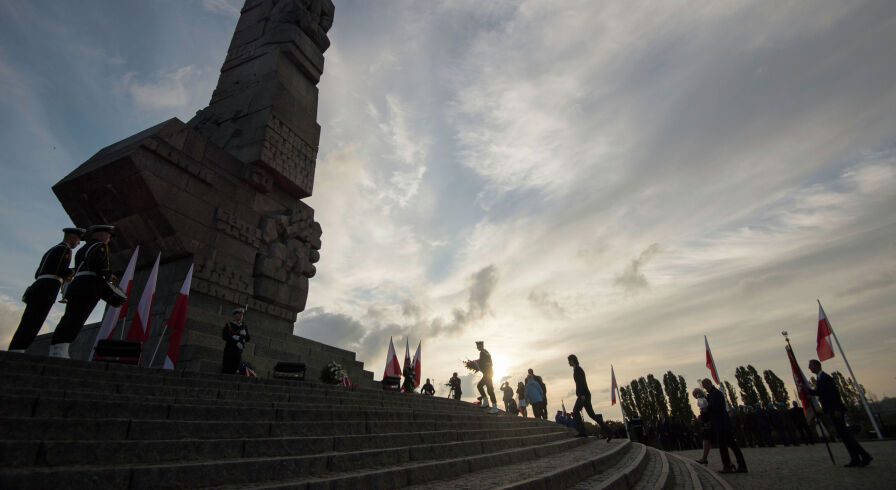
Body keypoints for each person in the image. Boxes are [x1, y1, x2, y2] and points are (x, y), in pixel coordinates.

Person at [8, 227, 85, 353]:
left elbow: (38, 272)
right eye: (78, 240)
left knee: (29, 319)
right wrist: (75, 270)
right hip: (47, 288)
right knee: (35, 320)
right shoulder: (65, 249)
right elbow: (61, 269)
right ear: (72, 237)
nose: (78, 243)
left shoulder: (52, 249)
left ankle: (17, 347)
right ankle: (19, 348)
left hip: (40, 285)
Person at [49, 225, 115, 358]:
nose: (109, 239)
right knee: (77, 318)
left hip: (78, 285)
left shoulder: (83, 249)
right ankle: (62, 349)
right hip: (89, 286)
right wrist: (108, 274)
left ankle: (56, 348)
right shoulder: (100, 246)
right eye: (108, 235)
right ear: (102, 235)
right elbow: (97, 263)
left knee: (69, 317)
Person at [808, 359, 873, 467]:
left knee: (846, 435)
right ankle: (855, 458)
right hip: (831, 409)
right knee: (844, 436)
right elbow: (821, 392)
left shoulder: (826, 378)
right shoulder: (820, 378)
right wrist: (808, 391)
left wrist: (838, 409)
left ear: (817, 366)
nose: (809, 368)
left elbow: (834, 394)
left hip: (835, 410)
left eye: (811, 366)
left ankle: (865, 456)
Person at [702, 378, 747, 473]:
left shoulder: (716, 393)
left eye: (705, 384)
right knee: (732, 445)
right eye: (703, 385)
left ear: (709, 383)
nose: (704, 387)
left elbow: (718, 407)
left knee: (724, 446)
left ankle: (728, 466)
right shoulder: (711, 395)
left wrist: (708, 408)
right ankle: (740, 465)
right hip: (720, 424)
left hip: (722, 424)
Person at [567, 354, 613, 441]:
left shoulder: (578, 369)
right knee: (591, 415)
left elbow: (582, 382)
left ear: (572, 360)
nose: (568, 363)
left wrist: (582, 395)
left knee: (575, 411)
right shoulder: (576, 369)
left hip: (583, 395)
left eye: (569, 361)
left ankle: (582, 432)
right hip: (584, 394)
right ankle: (609, 431)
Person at [221, 307, 250, 374]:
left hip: (238, 350)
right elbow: (225, 336)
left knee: (236, 367)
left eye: (242, 314)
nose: (241, 316)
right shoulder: (229, 325)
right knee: (227, 366)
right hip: (230, 349)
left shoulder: (243, 326)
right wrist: (235, 340)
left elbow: (248, 338)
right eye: (239, 314)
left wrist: (245, 335)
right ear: (234, 315)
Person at [473, 341, 499, 414]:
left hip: (487, 374)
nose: (477, 347)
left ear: (480, 346)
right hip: (489, 373)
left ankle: (494, 407)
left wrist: (476, 364)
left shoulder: (482, 353)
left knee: (488, 389)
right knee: (484, 387)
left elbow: (482, 363)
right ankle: (487, 402)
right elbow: (490, 363)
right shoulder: (486, 352)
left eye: (478, 346)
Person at [693, 388, 713, 464]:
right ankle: (704, 458)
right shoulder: (705, 397)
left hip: (708, 422)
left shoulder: (700, 398)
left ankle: (704, 458)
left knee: (706, 440)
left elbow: (704, 409)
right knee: (706, 440)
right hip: (709, 421)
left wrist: (702, 417)